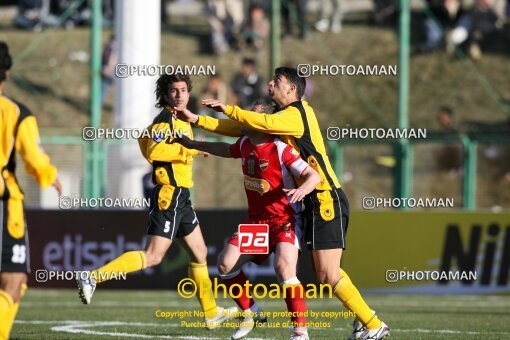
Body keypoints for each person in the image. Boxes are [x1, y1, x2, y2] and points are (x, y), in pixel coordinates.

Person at [177, 67, 390, 339]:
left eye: (277, 81)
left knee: (324, 273)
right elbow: (244, 128)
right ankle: (253, 312)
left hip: (322, 199)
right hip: (291, 210)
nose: (270, 83)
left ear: (291, 89)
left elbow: (256, 124)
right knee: (229, 265)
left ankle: (369, 324)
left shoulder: (298, 114)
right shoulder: (274, 124)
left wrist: (228, 108)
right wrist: (198, 120)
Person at [76, 74, 236, 329]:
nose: (180, 95)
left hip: (182, 197)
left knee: (200, 253)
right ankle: (93, 277)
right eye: (174, 91)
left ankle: (211, 313)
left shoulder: (180, 119)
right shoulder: (165, 120)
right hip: (169, 195)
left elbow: (143, 139)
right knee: (153, 257)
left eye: (183, 90)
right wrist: (190, 148)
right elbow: (153, 150)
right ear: (166, 94)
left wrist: (190, 146)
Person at [176, 102, 321, 340]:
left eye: (249, 114)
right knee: (225, 265)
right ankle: (251, 311)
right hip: (257, 223)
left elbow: (312, 175)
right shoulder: (245, 144)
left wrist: (302, 190)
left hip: (284, 220)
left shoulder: (281, 149)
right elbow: (225, 149)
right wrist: (193, 144)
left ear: (261, 122)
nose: (243, 118)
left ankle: (300, 333)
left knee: (284, 268)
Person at [0, 41, 62, 339]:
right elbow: (34, 158)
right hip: (3, 204)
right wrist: (50, 176)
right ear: (7, 74)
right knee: (13, 282)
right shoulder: (15, 113)